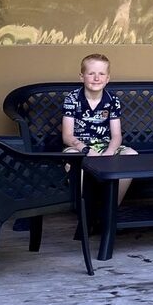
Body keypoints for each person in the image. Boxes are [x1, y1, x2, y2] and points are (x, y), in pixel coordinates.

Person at [62, 53, 137, 202]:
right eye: (91, 73)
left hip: (104, 146)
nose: (96, 78)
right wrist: (87, 150)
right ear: (82, 77)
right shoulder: (72, 98)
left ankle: (112, 206)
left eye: (101, 74)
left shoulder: (112, 100)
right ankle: (86, 207)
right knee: (72, 158)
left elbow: (116, 136)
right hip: (79, 147)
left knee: (131, 155)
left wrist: (109, 153)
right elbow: (67, 136)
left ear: (107, 78)